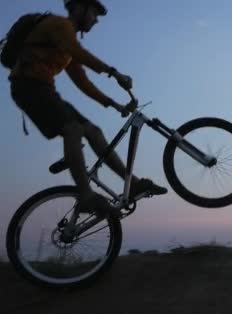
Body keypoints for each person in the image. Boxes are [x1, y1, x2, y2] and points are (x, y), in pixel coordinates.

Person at [8, 0, 167, 217]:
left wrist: (113, 103)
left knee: (93, 131)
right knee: (72, 129)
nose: (96, 20)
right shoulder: (60, 26)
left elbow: (82, 82)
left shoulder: (65, 42)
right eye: (94, 13)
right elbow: (78, 51)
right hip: (28, 86)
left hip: (44, 90)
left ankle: (135, 184)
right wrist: (114, 73)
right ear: (80, 8)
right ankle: (85, 195)